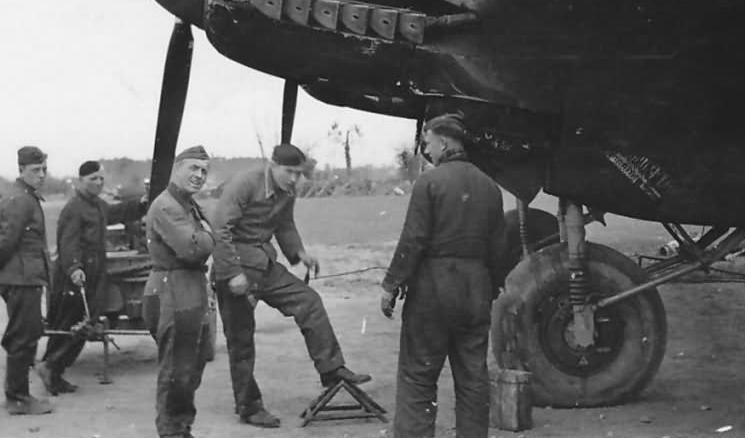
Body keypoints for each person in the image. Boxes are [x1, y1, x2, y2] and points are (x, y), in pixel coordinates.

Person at [210, 143, 370, 429]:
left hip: (264, 266)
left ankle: (332, 370)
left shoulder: (288, 190)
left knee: (308, 301)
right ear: (272, 165)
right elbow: (220, 228)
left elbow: (284, 225)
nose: (294, 179)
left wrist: (299, 254)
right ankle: (249, 407)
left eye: (299, 173)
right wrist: (232, 273)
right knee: (241, 341)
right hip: (235, 268)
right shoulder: (245, 183)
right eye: (289, 172)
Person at [380, 114, 508, 438]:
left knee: (418, 378)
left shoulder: (430, 182)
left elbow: (414, 240)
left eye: (429, 142)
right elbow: (499, 251)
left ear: (445, 142)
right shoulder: (490, 187)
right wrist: (487, 288)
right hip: (476, 290)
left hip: (433, 291)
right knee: (472, 379)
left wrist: (390, 285)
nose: (427, 149)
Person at [36, 160, 147, 395]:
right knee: (70, 326)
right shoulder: (74, 209)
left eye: (100, 179)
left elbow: (115, 213)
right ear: (80, 181)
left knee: (82, 325)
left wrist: (140, 205)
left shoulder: (96, 205)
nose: (97, 183)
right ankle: (50, 366)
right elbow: (68, 244)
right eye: (92, 179)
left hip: (93, 275)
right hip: (74, 279)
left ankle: (54, 372)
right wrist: (74, 268)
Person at [0, 146, 54, 415]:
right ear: (21, 170)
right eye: (35, 170)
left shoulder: (27, 196)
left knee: (26, 332)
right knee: (23, 335)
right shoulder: (20, 200)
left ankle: (19, 395)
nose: (41, 175)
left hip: (26, 276)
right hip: (20, 278)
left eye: (44, 169)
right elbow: (7, 242)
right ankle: (17, 398)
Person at [142, 146, 215, 438]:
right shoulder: (167, 206)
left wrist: (208, 234)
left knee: (190, 369)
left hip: (190, 289)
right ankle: (171, 432)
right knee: (176, 371)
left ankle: (181, 429)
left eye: (204, 171)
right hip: (172, 291)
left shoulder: (187, 204)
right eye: (193, 168)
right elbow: (191, 248)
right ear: (177, 169)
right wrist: (213, 235)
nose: (199, 175)